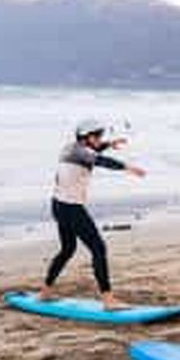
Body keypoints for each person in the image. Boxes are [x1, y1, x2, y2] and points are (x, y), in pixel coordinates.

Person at [40, 120, 146, 309]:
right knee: (98, 249)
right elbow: (101, 160)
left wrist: (109, 144)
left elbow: (93, 151)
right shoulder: (83, 153)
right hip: (72, 209)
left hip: (58, 205)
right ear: (85, 138)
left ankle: (45, 293)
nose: (99, 139)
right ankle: (108, 300)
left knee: (67, 250)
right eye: (96, 136)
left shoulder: (69, 149)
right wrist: (128, 167)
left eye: (100, 136)